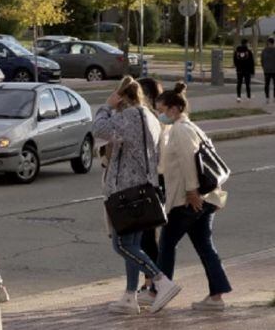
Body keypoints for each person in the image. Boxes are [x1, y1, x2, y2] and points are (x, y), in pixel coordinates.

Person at [93, 76, 181, 315]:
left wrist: (107, 106)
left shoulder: (131, 115)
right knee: (133, 244)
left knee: (121, 244)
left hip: (127, 192)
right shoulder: (149, 117)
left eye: (117, 97)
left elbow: (99, 128)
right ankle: (130, 296)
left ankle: (161, 281)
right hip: (142, 189)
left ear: (123, 97)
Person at [155, 83, 231, 311]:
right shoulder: (192, 128)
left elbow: (189, 162)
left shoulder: (180, 129)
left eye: (161, 110)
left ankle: (162, 289)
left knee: (167, 243)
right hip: (205, 197)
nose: (160, 115)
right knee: (205, 246)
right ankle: (216, 296)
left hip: (188, 200)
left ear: (174, 109)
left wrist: (192, 192)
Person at [136, 77, 165, 301]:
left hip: (153, 183)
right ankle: (152, 283)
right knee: (149, 237)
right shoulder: (156, 118)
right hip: (158, 182)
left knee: (146, 237)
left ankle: (155, 284)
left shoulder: (150, 119)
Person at [262, 37, 275, 105]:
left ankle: (267, 98)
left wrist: (264, 67)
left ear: (269, 42)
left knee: (266, 84)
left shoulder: (264, 50)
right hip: (274, 70)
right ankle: (274, 98)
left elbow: (262, 60)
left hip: (266, 70)